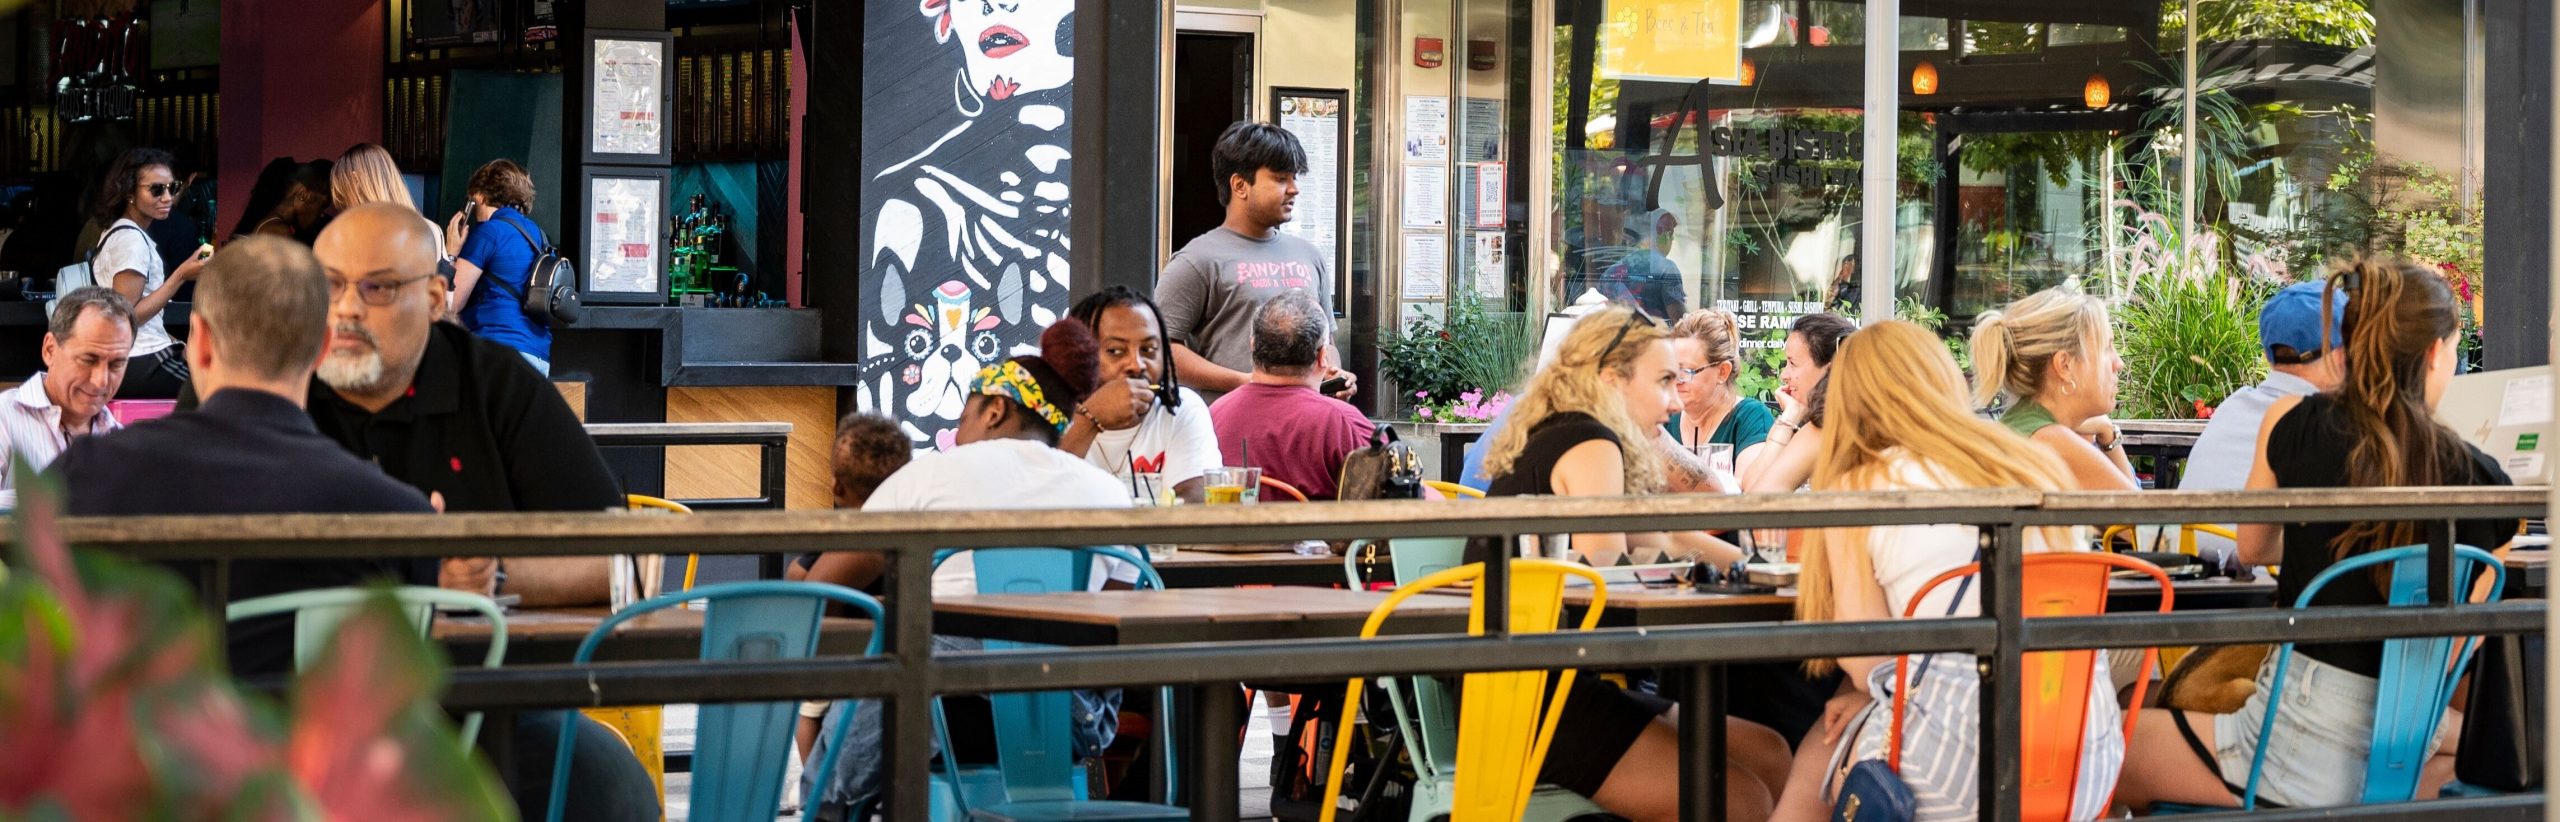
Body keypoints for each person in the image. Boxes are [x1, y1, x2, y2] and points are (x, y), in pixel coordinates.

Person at [2114, 259, 2522, 811]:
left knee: (2110, 747)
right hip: (2405, 752)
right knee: (2460, 763)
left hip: (2290, 745)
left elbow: (2253, 548)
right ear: (2434, 353)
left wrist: (2330, 537)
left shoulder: (2292, 421)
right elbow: (2452, 655)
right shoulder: (2489, 484)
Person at [1766, 321, 2111, 822]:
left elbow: (1867, 661)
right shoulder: (2028, 461)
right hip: (2085, 761)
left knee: (1821, 749)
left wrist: (1868, 695)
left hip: (1957, 775)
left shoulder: (1858, 487)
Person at [51, 236, 439, 677]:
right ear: (323, 348)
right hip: (297, 721)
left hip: (142, 718)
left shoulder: (88, 473)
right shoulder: (399, 514)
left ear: (200, 341)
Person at [803, 319, 1138, 817]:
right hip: (1062, 720)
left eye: (964, 418)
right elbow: (1116, 621)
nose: (958, 434)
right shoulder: (1109, 494)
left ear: (995, 410)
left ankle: (834, 807)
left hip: (938, 707)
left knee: (894, 673)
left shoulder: (929, 476)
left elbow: (823, 589)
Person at [1466, 306, 1777, 821]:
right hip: (1527, 698)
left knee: (1770, 753)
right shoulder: (1588, 440)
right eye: (1664, 381)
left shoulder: (1574, 431)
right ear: (1612, 380)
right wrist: (1740, 569)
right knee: (1742, 798)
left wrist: (1760, 567)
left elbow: (1663, 538)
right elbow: (1607, 567)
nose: (1674, 401)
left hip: (1534, 682)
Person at [1157, 122, 1355, 405]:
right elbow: (1161, 351)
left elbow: (1328, 343)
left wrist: (1333, 373)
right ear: (1240, 185)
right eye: (1280, 179)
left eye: (1295, 178)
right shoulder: (1196, 260)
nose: (1294, 189)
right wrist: (1246, 382)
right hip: (1231, 424)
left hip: (1305, 422)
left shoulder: (1310, 255)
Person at [2176, 282, 2349, 558]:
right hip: (2257, 575)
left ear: (2269, 357)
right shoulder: (2323, 423)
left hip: (2183, 569)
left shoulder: (2234, 405)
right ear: (2340, 355)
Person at [788, 412, 916, 763]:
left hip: (838, 657)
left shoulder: (842, 537)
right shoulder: (910, 523)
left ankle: (815, 782)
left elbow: (799, 577)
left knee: (809, 709)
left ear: (836, 487)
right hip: (898, 650)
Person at [1207, 289, 1371, 501]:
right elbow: (1395, 488)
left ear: (1253, 346)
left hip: (1232, 522)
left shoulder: (1212, 416)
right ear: (1323, 356)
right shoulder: (1344, 423)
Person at [1969, 288, 2139, 492]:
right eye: (2106, 348)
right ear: (2065, 365)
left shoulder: (2025, 424)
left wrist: (2106, 430)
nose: (2118, 363)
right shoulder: (2054, 441)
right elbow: (2145, 511)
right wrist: (2109, 436)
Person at [1062, 286, 1220, 502]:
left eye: (1148, 350)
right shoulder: (1051, 414)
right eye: (1115, 351)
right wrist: (1090, 418)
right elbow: (1038, 494)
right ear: (1080, 355)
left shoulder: (1181, 408)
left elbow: (1193, 504)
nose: (1137, 365)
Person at [89, 147, 212, 399]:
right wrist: (181, 275)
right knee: (220, 387)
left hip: (136, 358)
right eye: (156, 190)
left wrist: (175, 342)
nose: (167, 198)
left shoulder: (122, 232)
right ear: (129, 192)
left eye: (172, 188)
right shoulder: (131, 240)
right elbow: (127, 317)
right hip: (140, 359)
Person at [0, 287, 133, 509]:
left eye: (116, 365)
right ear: (50, 350)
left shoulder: (120, 440)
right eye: (88, 360)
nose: (101, 381)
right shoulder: (4, 418)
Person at [444, 159, 552, 373]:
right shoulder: (539, 236)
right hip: (538, 356)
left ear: (480, 196)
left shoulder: (489, 232)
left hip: (497, 351)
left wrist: (451, 253)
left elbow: (452, 303)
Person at [1737, 312, 1855, 496]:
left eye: (1792, 363)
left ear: (1830, 370)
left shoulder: (1824, 431)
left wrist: (1789, 418)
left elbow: (1754, 492)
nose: (1784, 375)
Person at [1668, 308, 1773, 487]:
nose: (1675, 380)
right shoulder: (1665, 420)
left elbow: (1748, 490)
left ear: (1722, 372)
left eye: (1686, 371)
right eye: (1671, 369)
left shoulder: (1750, 419)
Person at [228, 158, 333, 244]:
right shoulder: (278, 232)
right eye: (323, 205)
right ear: (303, 195)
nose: (322, 214)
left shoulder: (271, 225)